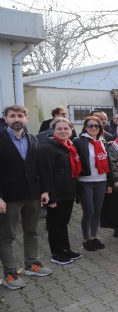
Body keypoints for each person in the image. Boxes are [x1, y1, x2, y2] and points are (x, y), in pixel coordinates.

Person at [0, 105, 52, 290]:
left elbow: (39, 167)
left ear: (26, 119)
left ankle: (31, 264)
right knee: (7, 237)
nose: (17, 119)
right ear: (5, 119)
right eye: (12, 116)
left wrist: (45, 190)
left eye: (20, 115)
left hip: (32, 195)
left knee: (32, 232)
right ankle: (10, 273)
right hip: (9, 198)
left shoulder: (32, 139)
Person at [40, 118, 82, 265]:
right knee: (54, 225)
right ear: (54, 130)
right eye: (59, 129)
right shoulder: (48, 147)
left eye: (66, 128)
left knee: (63, 223)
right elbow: (45, 173)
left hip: (68, 193)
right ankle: (56, 253)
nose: (63, 131)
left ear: (71, 131)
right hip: (55, 195)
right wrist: (50, 196)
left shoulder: (70, 146)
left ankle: (65, 249)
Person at [73, 116, 112, 252]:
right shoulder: (78, 141)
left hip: (101, 180)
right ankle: (86, 239)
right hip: (85, 182)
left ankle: (94, 236)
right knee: (89, 211)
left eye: (97, 126)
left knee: (97, 211)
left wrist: (109, 182)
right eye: (91, 125)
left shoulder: (103, 141)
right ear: (85, 127)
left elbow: (109, 164)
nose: (94, 128)